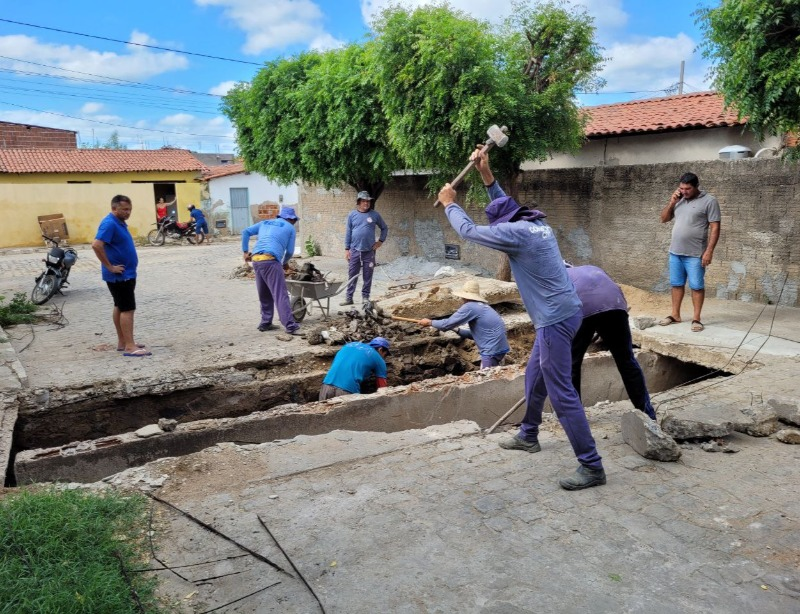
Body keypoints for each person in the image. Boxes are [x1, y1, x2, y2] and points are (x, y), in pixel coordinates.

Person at [437, 147, 605, 491]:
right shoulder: (536, 224)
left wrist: (450, 202)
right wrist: (485, 172)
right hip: (565, 313)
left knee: (562, 394)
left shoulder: (514, 234)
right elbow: (503, 203)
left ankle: (591, 465)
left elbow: (468, 231)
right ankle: (529, 434)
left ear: (507, 225)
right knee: (534, 376)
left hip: (555, 320)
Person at [659, 172, 721, 332]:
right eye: (681, 188)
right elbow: (663, 219)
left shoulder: (709, 201)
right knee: (676, 284)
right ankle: (675, 315)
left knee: (696, 286)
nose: (684, 191)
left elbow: (715, 227)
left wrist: (709, 251)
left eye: (687, 189)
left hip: (695, 254)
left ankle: (696, 319)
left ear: (696, 187)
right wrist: (672, 203)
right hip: (675, 252)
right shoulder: (678, 200)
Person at [92, 195, 150, 357]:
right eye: (124, 209)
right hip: (120, 276)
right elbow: (96, 245)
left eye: (130, 209)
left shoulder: (119, 222)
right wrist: (110, 267)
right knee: (127, 309)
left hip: (126, 274)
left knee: (120, 306)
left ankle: (123, 341)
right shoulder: (109, 223)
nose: (128, 212)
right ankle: (130, 346)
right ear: (114, 208)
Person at [418, 279, 509, 369]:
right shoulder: (484, 307)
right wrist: (456, 330)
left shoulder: (470, 306)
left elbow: (446, 325)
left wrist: (429, 322)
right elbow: (477, 335)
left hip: (491, 351)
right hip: (500, 349)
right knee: (495, 373)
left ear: (465, 297)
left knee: (485, 375)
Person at [241, 208, 301, 334]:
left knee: (264, 292)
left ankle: (265, 322)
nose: (294, 222)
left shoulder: (265, 222)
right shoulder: (290, 228)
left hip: (256, 260)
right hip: (271, 260)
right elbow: (290, 251)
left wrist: (245, 252)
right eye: (294, 220)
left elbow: (245, 232)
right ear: (291, 219)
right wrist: (284, 263)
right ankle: (290, 326)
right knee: (280, 294)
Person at [341, 191, 388, 306]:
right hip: (354, 250)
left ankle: (365, 297)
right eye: (363, 201)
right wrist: (347, 249)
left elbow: (384, 228)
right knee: (352, 274)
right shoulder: (352, 215)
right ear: (359, 202)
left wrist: (380, 242)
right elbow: (348, 232)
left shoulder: (375, 215)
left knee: (368, 275)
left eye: (368, 201)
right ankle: (349, 298)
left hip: (369, 251)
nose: (366, 203)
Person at [319, 337, 391, 400]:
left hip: (326, 386)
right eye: (385, 355)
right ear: (380, 349)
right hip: (347, 390)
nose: (384, 358)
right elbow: (382, 389)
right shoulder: (378, 358)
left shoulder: (349, 345)